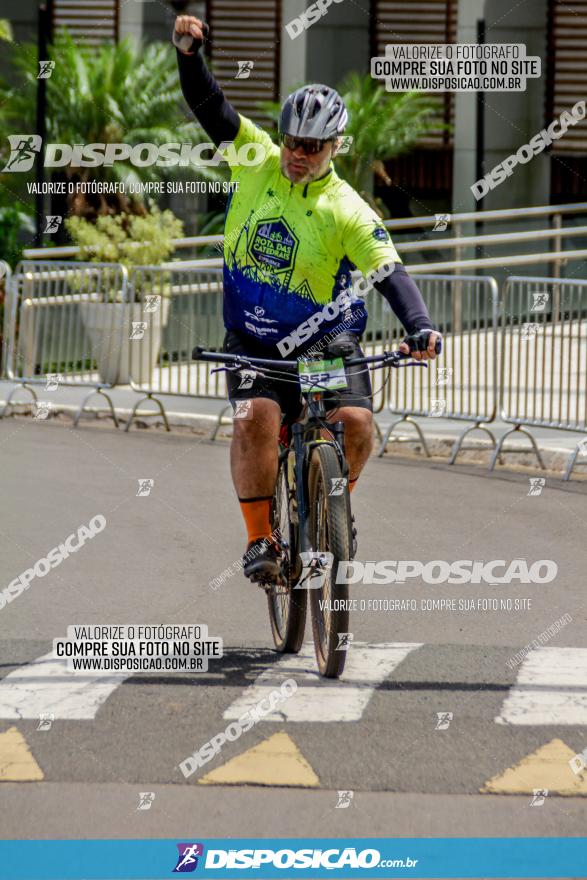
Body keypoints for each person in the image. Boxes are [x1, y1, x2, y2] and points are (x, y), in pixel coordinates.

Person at [174, 16, 441, 583]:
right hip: (253, 342)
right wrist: (191, 56)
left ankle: (330, 507)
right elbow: (210, 107)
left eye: (314, 147)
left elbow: (389, 271)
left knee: (358, 424)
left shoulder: (345, 207)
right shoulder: (255, 161)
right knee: (256, 417)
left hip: (322, 345)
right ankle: (259, 539)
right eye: (294, 141)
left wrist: (419, 326)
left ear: (335, 146)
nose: (299, 153)